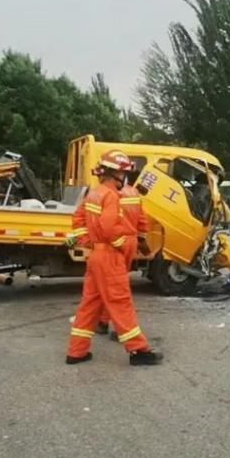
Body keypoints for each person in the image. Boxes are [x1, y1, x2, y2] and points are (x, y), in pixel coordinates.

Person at [65, 149, 162, 366]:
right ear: (116, 173)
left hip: (96, 256)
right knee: (121, 303)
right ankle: (139, 351)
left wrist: (90, 243)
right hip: (110, 256)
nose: (124, 177)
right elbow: (110, 229)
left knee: (89, 305)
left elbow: (79, 220)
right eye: (124, 173)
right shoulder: (111, 196)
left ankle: (76, 352)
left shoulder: (94, 193)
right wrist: (121, 246)